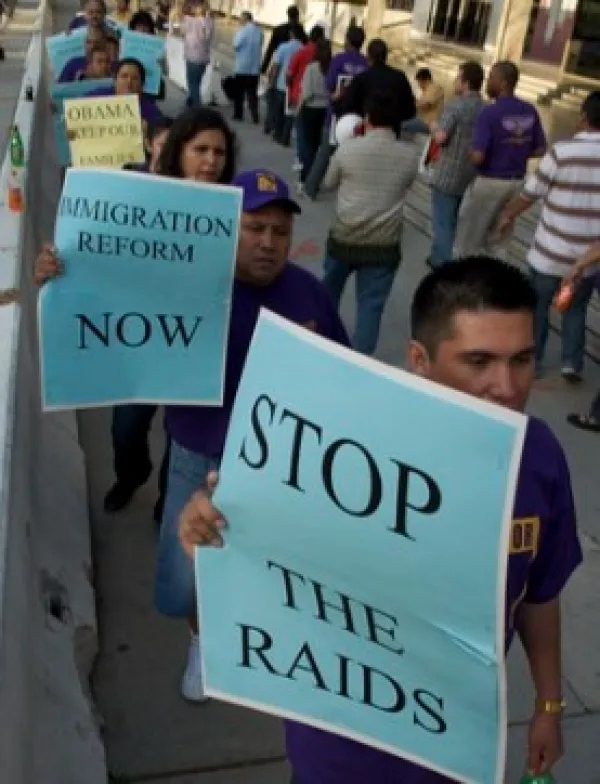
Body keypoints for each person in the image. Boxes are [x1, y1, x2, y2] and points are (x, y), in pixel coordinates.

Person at [179, 257, 582, 783]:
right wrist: (209, 530)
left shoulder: (540, 457)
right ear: (420, 358)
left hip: (458, 750)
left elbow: (538, 593)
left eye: (523, 360)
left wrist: (549, 707)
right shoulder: (329, 450)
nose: (506, 387)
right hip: (338, 754)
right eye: (478, 362)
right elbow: (262, 572)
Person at [154, 168, 349, 703]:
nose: (268, 242)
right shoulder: (190, 285)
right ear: (228, 228)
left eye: (279, 232)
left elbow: (347, 374)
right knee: (190, 570)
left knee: (272, 567)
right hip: (201, 451)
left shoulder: (310, 294)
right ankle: (202, 643)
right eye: (253, 228)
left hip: (284, 460)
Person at [33, 109, 234, 526]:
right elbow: (94, 260)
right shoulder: (139, 199)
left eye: (219, 151)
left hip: (195, 348)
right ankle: (131, 473)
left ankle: (167, 499)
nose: (210, 160)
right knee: (126, 430)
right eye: (201, 150)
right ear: (179, 152)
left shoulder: (235, 213)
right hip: (138, 346)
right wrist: (53, 267)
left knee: (181, 438)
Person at [495, 90, 600, 383]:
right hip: (588, 259)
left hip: (549, 255)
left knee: (538, 307)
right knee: (576, 309)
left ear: (583, 117)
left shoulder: (562, 153)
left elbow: (531, 193)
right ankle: (571, 363)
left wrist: (508, 215)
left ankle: (535, 362)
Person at [321, 90, 419, 355]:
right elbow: (406, 185)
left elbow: (328, 184)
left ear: (367, 118)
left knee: (327, 297)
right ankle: (359, 362)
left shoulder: (348, 149)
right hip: (383, 245)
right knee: (371, 308)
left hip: (344, 237)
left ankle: (320, 347)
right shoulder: (410, 155)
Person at [453, 60, 546, 260]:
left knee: (468, 242)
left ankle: (464, 285)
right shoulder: (530, 110)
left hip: (490, 182)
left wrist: (468, 150)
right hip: (517, 183)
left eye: (491, 78)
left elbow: (478, 156)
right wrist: (516, 150)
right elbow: (540, 148)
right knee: (499, 242)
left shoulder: (489, 113)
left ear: (503, 83)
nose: (487, 82)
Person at [427, 60, 484, 268]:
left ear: (466, 82)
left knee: (442, 222)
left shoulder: (456, 106)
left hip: (448, 173)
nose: (455, 81)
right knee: (455, 220)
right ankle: (436, 256)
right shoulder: (484, 108)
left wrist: (433, 125)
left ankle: (443, 263)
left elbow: (441, 137)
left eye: (458, 78)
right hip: (469, 174)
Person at [302, 22, 367, 201]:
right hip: (356, 116)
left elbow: (330, 85)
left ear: (347, 40)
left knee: (325, 152)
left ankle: (310, 187)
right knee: (352, 155)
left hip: (335, 115)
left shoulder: (339, 59)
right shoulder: (365, 63)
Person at [333, 38, 416, 131]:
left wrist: (336, 100)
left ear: (368, 56)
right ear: (386, 56)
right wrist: (393, 119)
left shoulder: (362, 78)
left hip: (365, 132)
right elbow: (410, 111)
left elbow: (347, 108)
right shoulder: (399, 77)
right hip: (392, 134)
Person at [85, 57, 163, 125]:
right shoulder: (95, 97)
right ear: (115, 81)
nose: (129, 81)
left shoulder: (151, 111)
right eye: (124, 76)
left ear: (142, 85)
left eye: (135, 78)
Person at [297, 38, 331, 188]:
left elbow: (306, 93)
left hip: (310, 109)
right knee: (318, 146)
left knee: (307, 146)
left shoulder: (311, 68)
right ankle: (316, 177)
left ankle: (306, 176)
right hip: (326, 110)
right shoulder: (331, 67)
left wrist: (298, 110)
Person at [267, 23, 304, 146]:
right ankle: (285, 137)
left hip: (281, 84)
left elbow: (276, 66)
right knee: (290, 113)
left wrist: (271, 82)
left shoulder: (284, 47)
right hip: (296, 87)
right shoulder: (303, 49)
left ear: (291, 34)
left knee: (279, 112)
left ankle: (278, 134)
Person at [232, 10, 263, 123]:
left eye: (241, 18)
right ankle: (255, 116)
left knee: (239, 93)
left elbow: (235, 45)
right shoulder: (259, 31)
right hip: (254, 68)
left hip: (242, 67)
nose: (239, 20)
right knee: (252, 94)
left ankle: (238, 114)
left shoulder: (242, 31)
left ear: (246, 19)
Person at [181, 0, 213, 108]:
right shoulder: (210, 22)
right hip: (204, 58)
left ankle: (197, 109)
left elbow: (181, 30)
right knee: (197, 83)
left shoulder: (190, 21)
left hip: (192, 57)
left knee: (192, 84)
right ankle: (190, 102)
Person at [260, 4, 306, 77]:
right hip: (294, 68)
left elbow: (270, 50)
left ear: (288, 15)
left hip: (278, 64)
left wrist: (263, 68)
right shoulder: (301, 31)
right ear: (298, 16)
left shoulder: (278, 29)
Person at [402, 67, 444, 135]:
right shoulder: (426, 90)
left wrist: (410, 105)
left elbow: (426, 105)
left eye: (419, 82)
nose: (419, 85)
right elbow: (422, 103)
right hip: (422, 119)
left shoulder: (434, 88)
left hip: (428, 122)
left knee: (402, 125)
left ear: (426, 80)